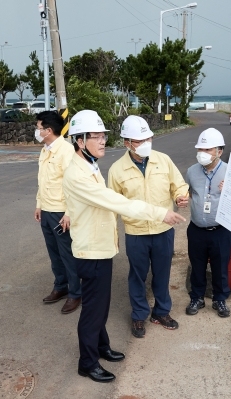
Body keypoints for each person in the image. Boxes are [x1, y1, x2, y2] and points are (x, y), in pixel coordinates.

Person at [62, 110, 185, 383]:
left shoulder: (88, 164)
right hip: (91, 251)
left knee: (100, 306)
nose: (104, 140)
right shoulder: (79, 173)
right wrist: (159, 213)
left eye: (103, 135)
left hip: (100, 248)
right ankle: (88, 362)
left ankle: (101, 347)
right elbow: (117, 202)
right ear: (80, 141)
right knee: (94, 310)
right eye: (97, 136)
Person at [108, 115, 189, 339]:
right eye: (139, 140)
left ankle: (161, 312)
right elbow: (112, 205)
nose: (146, 143)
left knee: (162, 273)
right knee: (137, 275)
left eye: (148, 138)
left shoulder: (163, 160)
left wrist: (181, 196)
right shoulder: (117, 170)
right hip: (136, 234)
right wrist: (112, 235)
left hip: (163, 231)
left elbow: (179, 184)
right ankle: (139, 315)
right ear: (126, 142)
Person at [34, 110, 81, 314]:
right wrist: (38, 205)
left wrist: (69, 213)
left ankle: (75, 293)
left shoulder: (66, 151)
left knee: (67, 254)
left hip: (61, 212)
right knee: (54, 254)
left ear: (49, 130)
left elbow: (73, 185)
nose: (37, 131)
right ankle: (60, 287)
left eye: (39, 128)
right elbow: (43, 180)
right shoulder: (45, 149)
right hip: (46, 210)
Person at [185, 128, 231, 318]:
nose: (202, 154)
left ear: (219, 151)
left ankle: (219, 299)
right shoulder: (191, 171)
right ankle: (197, 297)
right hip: (196, 229)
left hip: (221, 230)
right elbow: (186, 193)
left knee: (220, 266)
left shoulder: (230, 172)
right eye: (200, 149)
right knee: (197, 265)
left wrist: (229, 191)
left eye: (208, 150)